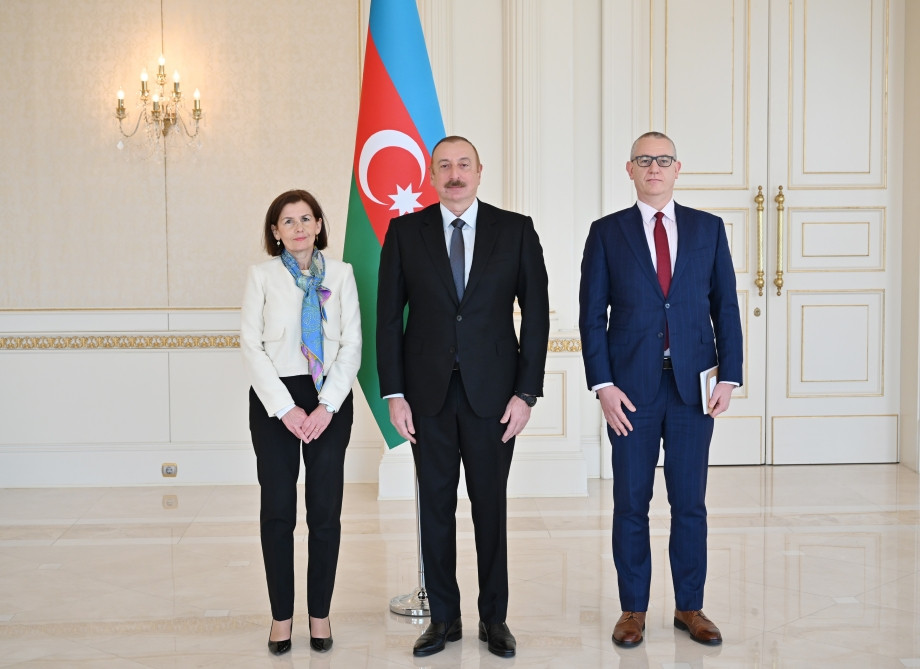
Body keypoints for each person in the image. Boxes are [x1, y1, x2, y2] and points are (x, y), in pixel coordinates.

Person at [377, 136, 550, 658]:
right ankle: (443, 619)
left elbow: (536, 317)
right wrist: (394, 394)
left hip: (494, 398)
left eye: (464, 165)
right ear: (431, 175)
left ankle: (494, 619)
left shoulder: (516, 230)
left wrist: (526, 393)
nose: (455, 174)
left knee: (489, 509)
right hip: (424, 398)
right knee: (434, 507)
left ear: (479, 171)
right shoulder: (405, 233)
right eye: (445, 166)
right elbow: (388, 319)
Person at [578, 132, 743, 647]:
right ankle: (633, 609)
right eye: (645, 160)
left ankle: (690, 606)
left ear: (677, 168)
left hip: (694, 389)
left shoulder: (708, 228)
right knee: (631, 502)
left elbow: (726, 306)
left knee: (690, 502)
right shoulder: (606, 233)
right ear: (629, 169)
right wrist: (603, 385)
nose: (655, 167)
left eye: (663, 160)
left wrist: (729, 375)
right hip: (630, 391)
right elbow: (591, 315)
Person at [240, 189, 361, 655]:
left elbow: (352, 344)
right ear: (275, 231)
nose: (298, 228)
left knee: (325, 511)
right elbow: (251, 346)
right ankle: (281, 617)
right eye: (287, 221)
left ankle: (320, 614)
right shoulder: (262, 276)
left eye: (306, 219)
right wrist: (286, 408)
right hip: (276, 402)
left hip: (329, 399)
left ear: (319, 225)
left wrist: (326, 405)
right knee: (277, 512)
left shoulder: (342, 274)